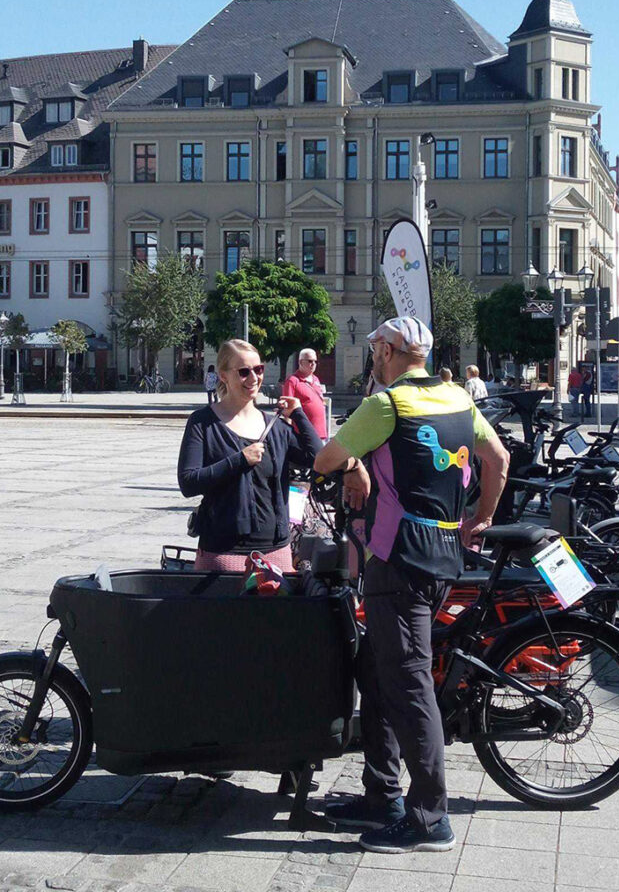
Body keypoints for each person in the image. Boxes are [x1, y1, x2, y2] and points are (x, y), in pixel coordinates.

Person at [314, 316, 509, 854]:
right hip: (444, 554)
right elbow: (498, 459)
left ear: (395, 351)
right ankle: (383, 794)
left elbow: (326, 457)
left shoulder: (388, 404)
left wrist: (354, 464)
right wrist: (482, 517)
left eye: (378, 347)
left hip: (396, 561)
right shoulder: (456, 400)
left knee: (408, 684)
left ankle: (429, 819)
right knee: (374, 670)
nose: (374, 354)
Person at [177, 340, 323, 572]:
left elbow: (317, 457)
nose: (254, 378)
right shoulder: (202, 423)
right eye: (244, 372)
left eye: (259, 369)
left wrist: (298, 414)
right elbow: (189, 482)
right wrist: (239, 460)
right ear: (224, 375)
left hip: (276, 551)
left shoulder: (275, 425)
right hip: (223, 553)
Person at [282, 348, 328, 440]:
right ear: (301, 362)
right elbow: (287, 408)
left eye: (315, 361)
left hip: (320, 433)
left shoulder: (316, 379)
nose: (313, 364)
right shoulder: (292, 381)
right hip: (302, 434)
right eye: (310, 361)